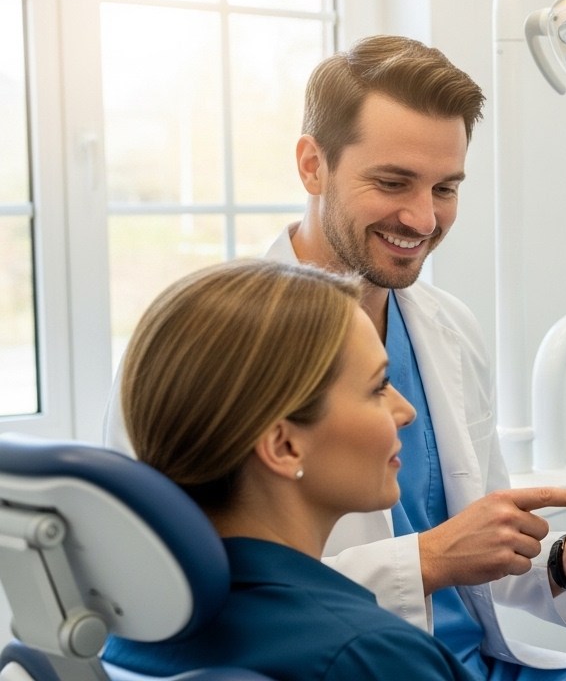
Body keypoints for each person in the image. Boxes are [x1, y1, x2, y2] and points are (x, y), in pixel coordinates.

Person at [109, 35, 566, 679]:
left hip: (478, 662)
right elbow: (174, 598)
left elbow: (478, 542)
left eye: (446, 187)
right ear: (312, 165)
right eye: (392, 182)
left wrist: (561, 561)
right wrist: (425, 560)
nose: (422, 218)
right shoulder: (216, 343)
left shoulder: (449, 328)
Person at [102, 259, 478, 678]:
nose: (405, 411)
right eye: (377, 388)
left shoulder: (123, 637)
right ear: (283, 446)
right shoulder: (366, 655)